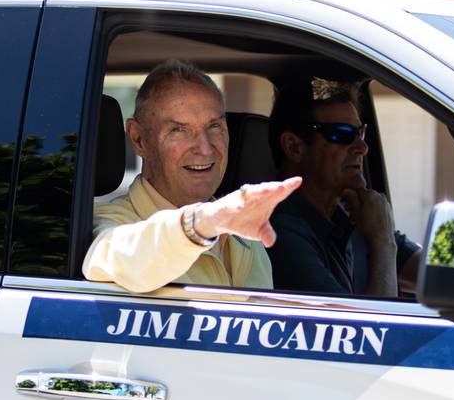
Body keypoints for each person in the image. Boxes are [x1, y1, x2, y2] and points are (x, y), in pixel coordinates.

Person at [82, 60, 301, 293]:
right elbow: (121, 256)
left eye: (214, 126)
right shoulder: (110, 222)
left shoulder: (242, 232)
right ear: (138, 139)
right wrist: (199, 226)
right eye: (178, 130)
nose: (205, 148)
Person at [266, 79, 420, 297]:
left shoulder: (351, 216)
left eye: (360, 133)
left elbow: (431, 276)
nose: (362, 147)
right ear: (294, 147)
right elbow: (367, 330)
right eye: (342, 133)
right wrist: (383, 243)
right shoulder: (278, 231)